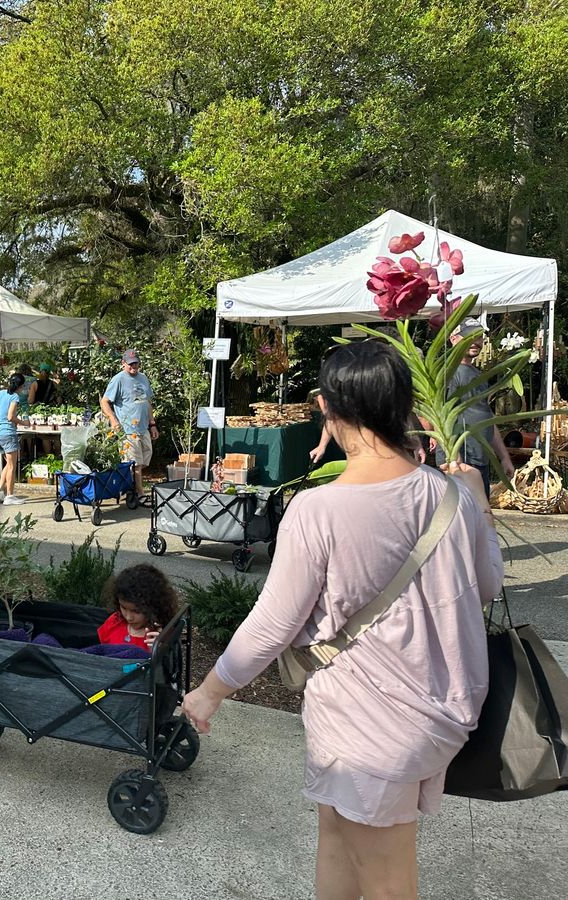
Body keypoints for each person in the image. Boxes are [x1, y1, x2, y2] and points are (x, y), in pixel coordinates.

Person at [181, 340, 502, 900]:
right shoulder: (454, 494)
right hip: (437, 704)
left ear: (330, 411)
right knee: (336, 833)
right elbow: (487, 587)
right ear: (407, 407)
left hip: (369, 722)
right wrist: (479, 501)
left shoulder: (318, 508)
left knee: (386, 880)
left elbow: (272, 624)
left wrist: (210, 692)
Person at [437, 317, 516, 492]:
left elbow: (487, 417)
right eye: (469, 336)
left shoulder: (477, 374)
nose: (476, 342)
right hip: (459, 460)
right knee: (460, 516)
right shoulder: (447, 373)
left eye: (479, 337)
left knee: (480, 514)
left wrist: (504, 457)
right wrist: (452, 455)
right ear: (454, 339)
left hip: (479, 458)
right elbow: (440, 417)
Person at [100, 349, 156, 501]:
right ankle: (140, 494)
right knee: (135, 463)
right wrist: (113, 419)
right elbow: (104, 401)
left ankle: (126, 485)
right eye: (130, 364)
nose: (133, 367)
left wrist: (152, 424)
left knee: (144, 460)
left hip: (143, 427)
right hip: (127, 430)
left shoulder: (143, 378)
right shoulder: (118, 379)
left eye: (136, 363)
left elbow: (147, 402)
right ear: (123, 363)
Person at [96, 564, 180, 652]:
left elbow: (164, 663)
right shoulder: (114, 621)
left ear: (154, 607)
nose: (129, 617)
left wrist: (156, 651)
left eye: (136, 611)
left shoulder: (158, 636)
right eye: (123, 607)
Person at [0, 373, 25, 506]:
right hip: (8, 434)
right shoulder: (14, 396)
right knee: (11, 466)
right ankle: (10, 495)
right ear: (21, 386)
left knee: (7, 464)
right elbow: (11, 417)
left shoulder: (0, 393)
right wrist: (23, 423)